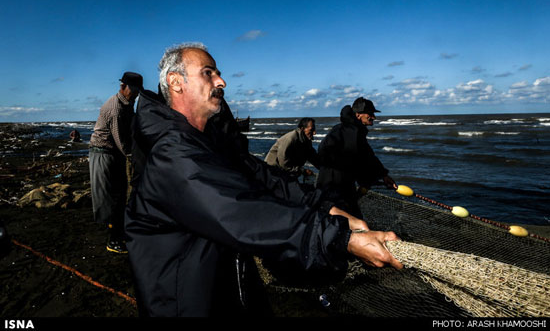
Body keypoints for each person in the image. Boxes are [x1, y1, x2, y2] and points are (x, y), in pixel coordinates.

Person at [124, 43, 402, 317]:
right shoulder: (171, 153)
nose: (221, 81)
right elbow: (239, 211)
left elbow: (264, 177)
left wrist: (325, 207)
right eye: (208, 72)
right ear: (175, 82)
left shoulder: (210, 141)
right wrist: (339, 238)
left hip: (224, 284)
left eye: (218, 73)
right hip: (185, 301)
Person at [316, 97, 397, 219]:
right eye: (370, 114)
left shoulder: (352, 130)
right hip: (335, 185)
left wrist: (383, 175)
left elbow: (367, 156)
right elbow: (357, 159)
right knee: (347, 218)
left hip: (338, 183)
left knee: (344, 218)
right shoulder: (349, 131)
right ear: (358, 115)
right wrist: (365, 178)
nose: (373, 117)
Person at [89, 72, 142, 254]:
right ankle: (113, 240)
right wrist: (134, 157)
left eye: (137, 93)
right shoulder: (116, 108)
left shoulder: (127, 104)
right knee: (111, 196)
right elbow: (121, 141)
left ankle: (119, 233)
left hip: (113, 153)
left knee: (118, 194)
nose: (135, 96)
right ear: (123, 87)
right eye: (133, 92)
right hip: (103, 153)